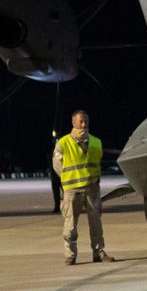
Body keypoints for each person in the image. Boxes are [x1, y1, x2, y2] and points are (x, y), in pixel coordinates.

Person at [53, 110, 114, 265]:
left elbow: (96, 163)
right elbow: (57, 165)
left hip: (92, 187)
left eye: (86, 121)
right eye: (81, 121)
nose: (84, 124)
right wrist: (68, 179)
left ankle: (99, 252)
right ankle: (70, 255)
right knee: (70, 224)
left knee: (96, 223)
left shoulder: (96, 142)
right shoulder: (63, 143)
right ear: (73, 123)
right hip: (72, 189)